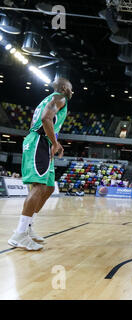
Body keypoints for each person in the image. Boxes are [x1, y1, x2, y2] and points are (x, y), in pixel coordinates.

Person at [8, 77, 72, 251]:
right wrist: (54, 142)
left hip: (42, 141)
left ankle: (28, 228)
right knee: (38, 187)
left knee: (49, 187)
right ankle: (20, 233)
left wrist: (54, 142)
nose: (72, 92)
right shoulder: (60, 97)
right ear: (65, 88)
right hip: (39, 142)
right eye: (71, 89)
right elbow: (45, 119)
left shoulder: (49, 99)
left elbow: (40, 121)